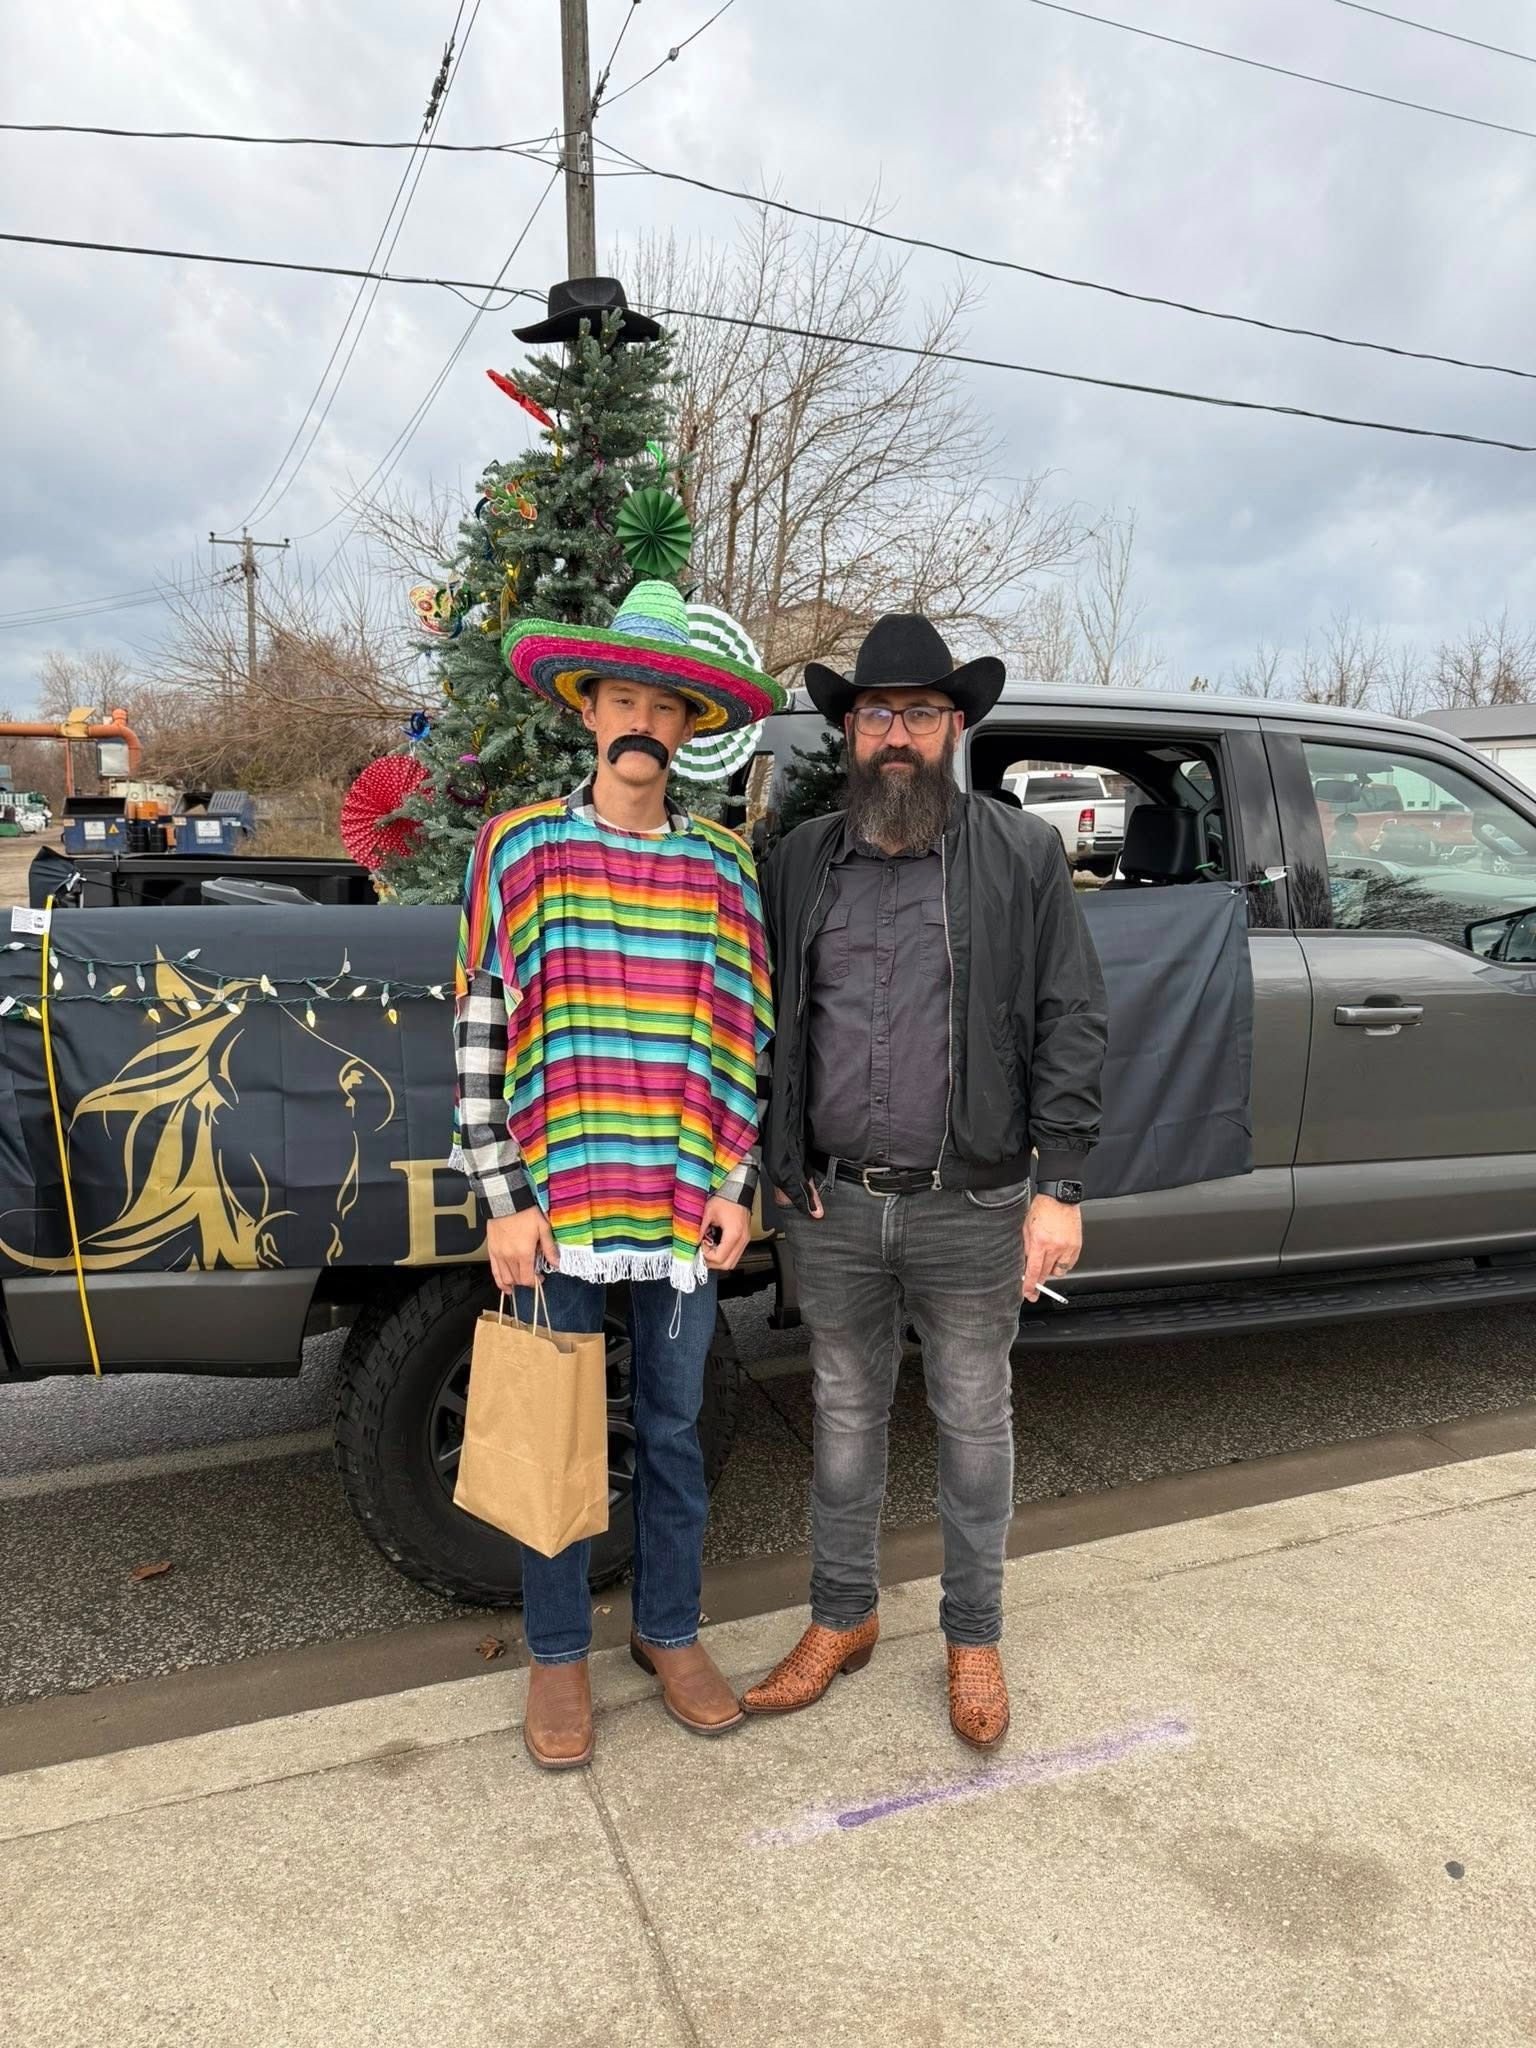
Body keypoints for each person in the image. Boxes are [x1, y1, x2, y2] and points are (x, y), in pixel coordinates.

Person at [743, 615, 1108, 1749]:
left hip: (977, 1200)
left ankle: (973, 1635)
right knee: (844, 1413)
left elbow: (1072, 1017)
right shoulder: (796, 860)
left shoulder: (1020, 856)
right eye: (874, 713)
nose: (895, 734)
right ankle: (841, 1617)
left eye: (919, 713)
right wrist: (774, 1159)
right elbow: (756, 1024)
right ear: (848, 729)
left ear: (956, 726)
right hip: (835, 1204)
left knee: (972, 1420)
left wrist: (1064, 1184)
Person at [454, 580, 783, 1769]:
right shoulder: (522, 848)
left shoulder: (722, 868)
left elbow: (744, 1033)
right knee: (554, 1430)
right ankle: (555, 1657)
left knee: (676, 1427)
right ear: (589, 710)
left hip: (682, 1203)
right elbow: (484, 1024)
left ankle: (670, 1630)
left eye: (666, 703)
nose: (643, 719)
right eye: (623, 696)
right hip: (556, 1202)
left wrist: (736, 1181)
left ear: (691, 727)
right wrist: (502, 1196)